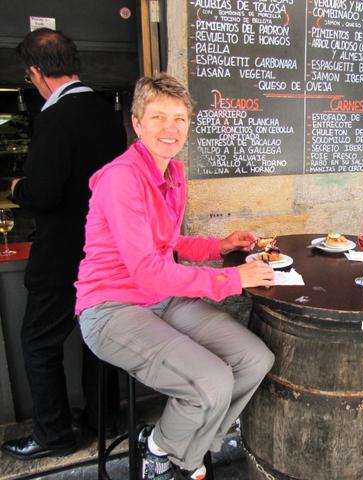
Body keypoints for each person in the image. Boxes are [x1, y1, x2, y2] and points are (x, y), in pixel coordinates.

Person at [74, 73, 276, 480]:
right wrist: (233, 279)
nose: (171, 128)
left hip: (161, 299)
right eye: (159, 117)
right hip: (111, 308)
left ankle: (174, 448)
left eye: (179, 118)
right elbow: (147, 269)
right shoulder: (121, 178)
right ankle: (163, 453)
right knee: (213, 381)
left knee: (256, 360)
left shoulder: (172, 173)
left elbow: (168, 241)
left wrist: (219, 246)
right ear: (137, 123)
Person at [1, 28, 126, 460]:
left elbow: (45, 193)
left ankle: (54, 435)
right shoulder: (108, 113)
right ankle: (103, 420)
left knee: (39, 343)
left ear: (36, 72)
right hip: (104, 251)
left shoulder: (54, 117)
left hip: (60, 255)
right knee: (99, 339)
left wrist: (18, 188)